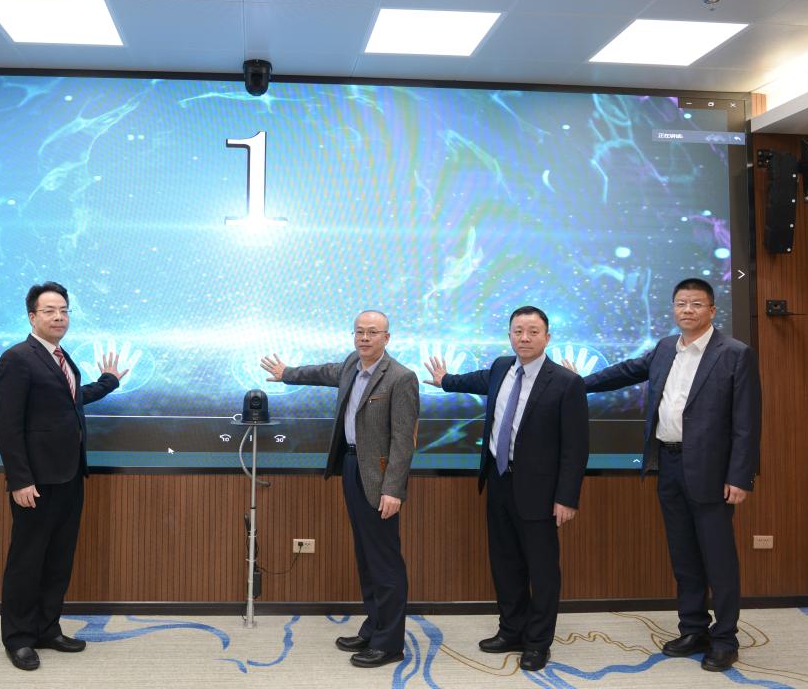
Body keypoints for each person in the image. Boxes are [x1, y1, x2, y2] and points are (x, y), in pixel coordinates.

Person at [567, 278, 760, 672]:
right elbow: (625, 372)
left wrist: (740, 476)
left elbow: (747, 421)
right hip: (667, 465)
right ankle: (693, 629)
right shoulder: (665, 348)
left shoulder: (735, 353)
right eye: (680, 303)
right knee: (683, 555)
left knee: (718, 559)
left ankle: (725, 638)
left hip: (711, 471)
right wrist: (577, 383)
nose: (687, 310)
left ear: (712, 310)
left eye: (696, 304)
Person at [425, 305, 588, 672]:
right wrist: (446, 380)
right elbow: (477, 381)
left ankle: (538, 642)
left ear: (547, 337)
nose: (524, 338)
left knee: (542, 570)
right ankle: (511, 630)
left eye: (532, 331)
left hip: (541, 491)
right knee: (505, 562)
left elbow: (576, 448)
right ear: (510, 335)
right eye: (518, 331)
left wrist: (567, 497)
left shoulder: (566, 383)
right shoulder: (502, 367)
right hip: (499, 481)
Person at [260, 310, 418, 668]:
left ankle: (390, 644)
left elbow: (403, 441)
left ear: (387, 338)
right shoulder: (351, 365)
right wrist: (287, 373)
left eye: (372, 332)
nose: (364, 338)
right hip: (350, 466)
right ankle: (374, 627)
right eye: (359, 332)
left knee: (384, 561)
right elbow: (323, 372)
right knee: (365, 555)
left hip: (380, 478)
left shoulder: (401, 377)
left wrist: (393, 490)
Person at [0, 281, 127, 671]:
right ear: (32, 316)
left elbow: (69, 401)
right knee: (27, 561)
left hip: (69, 475)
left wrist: (108, 383)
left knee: (58, 559)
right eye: (50, 310)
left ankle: (47, 629)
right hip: (35, 482)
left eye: (64, 311)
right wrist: (20, 479)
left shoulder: (61, 356)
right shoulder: (17, 358)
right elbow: (8, 426)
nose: (59, 317)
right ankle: (19, 638)